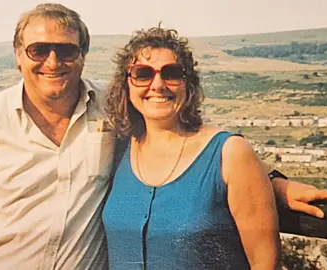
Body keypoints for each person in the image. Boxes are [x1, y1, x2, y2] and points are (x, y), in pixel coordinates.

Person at [0, 3, 327, 270]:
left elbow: (195, 150)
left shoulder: (112, 113)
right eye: (38, 50)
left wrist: (272, 182)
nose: (53, 61)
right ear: (18, 56)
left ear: (82, 55)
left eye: (67, 50)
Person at [102, 26, 281, 269]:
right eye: (143, 74)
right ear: (126, 85)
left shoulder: (228, 153)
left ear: (189, 83)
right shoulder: (118, 148)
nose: (157, 85)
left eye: (172, 73)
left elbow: (264, 263)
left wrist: (278, 183)